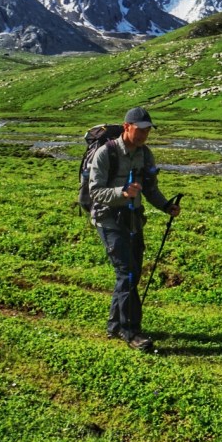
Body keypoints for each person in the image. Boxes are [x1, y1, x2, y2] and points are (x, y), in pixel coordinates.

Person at [88, 107, 181, 350]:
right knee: (127, 273)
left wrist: (166, 206)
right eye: (140, 129)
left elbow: (150, 189)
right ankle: (131, 331)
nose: (144, 135)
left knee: (132, 274)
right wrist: (122, 193)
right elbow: (95, 192)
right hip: (108, 220)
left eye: (147, 130)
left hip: (133, 220)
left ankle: (114, 325)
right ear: (126, 127)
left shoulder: (145, 154)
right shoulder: (106, 153)